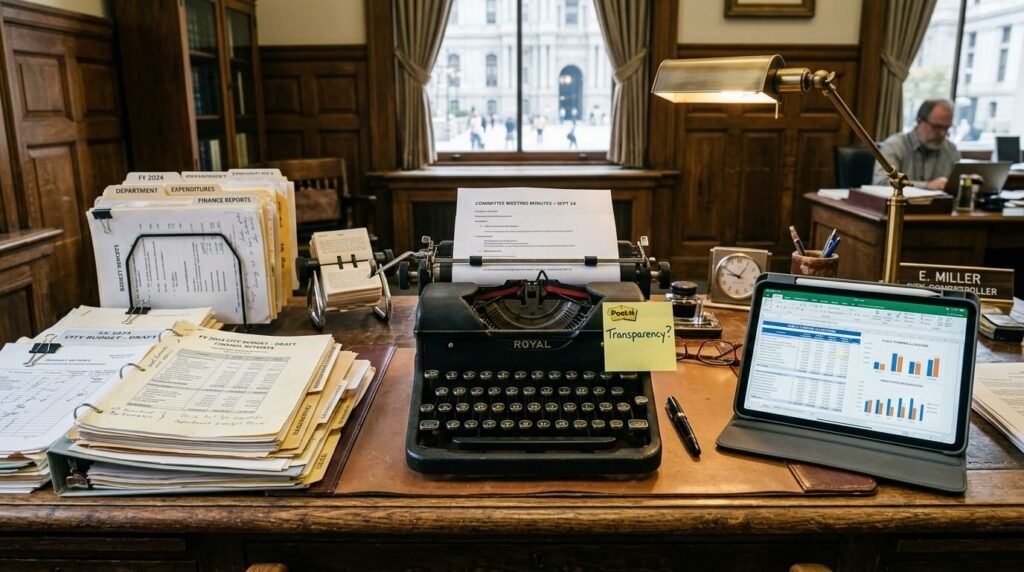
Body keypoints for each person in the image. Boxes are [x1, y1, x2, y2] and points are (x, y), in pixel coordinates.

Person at [873, 99, 961, 190]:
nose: (943, 134)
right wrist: (927, 186)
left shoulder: (951, 150)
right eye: (937, 127)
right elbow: (881, 183)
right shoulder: (895, 146)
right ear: (920, 121)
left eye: (947, 128)